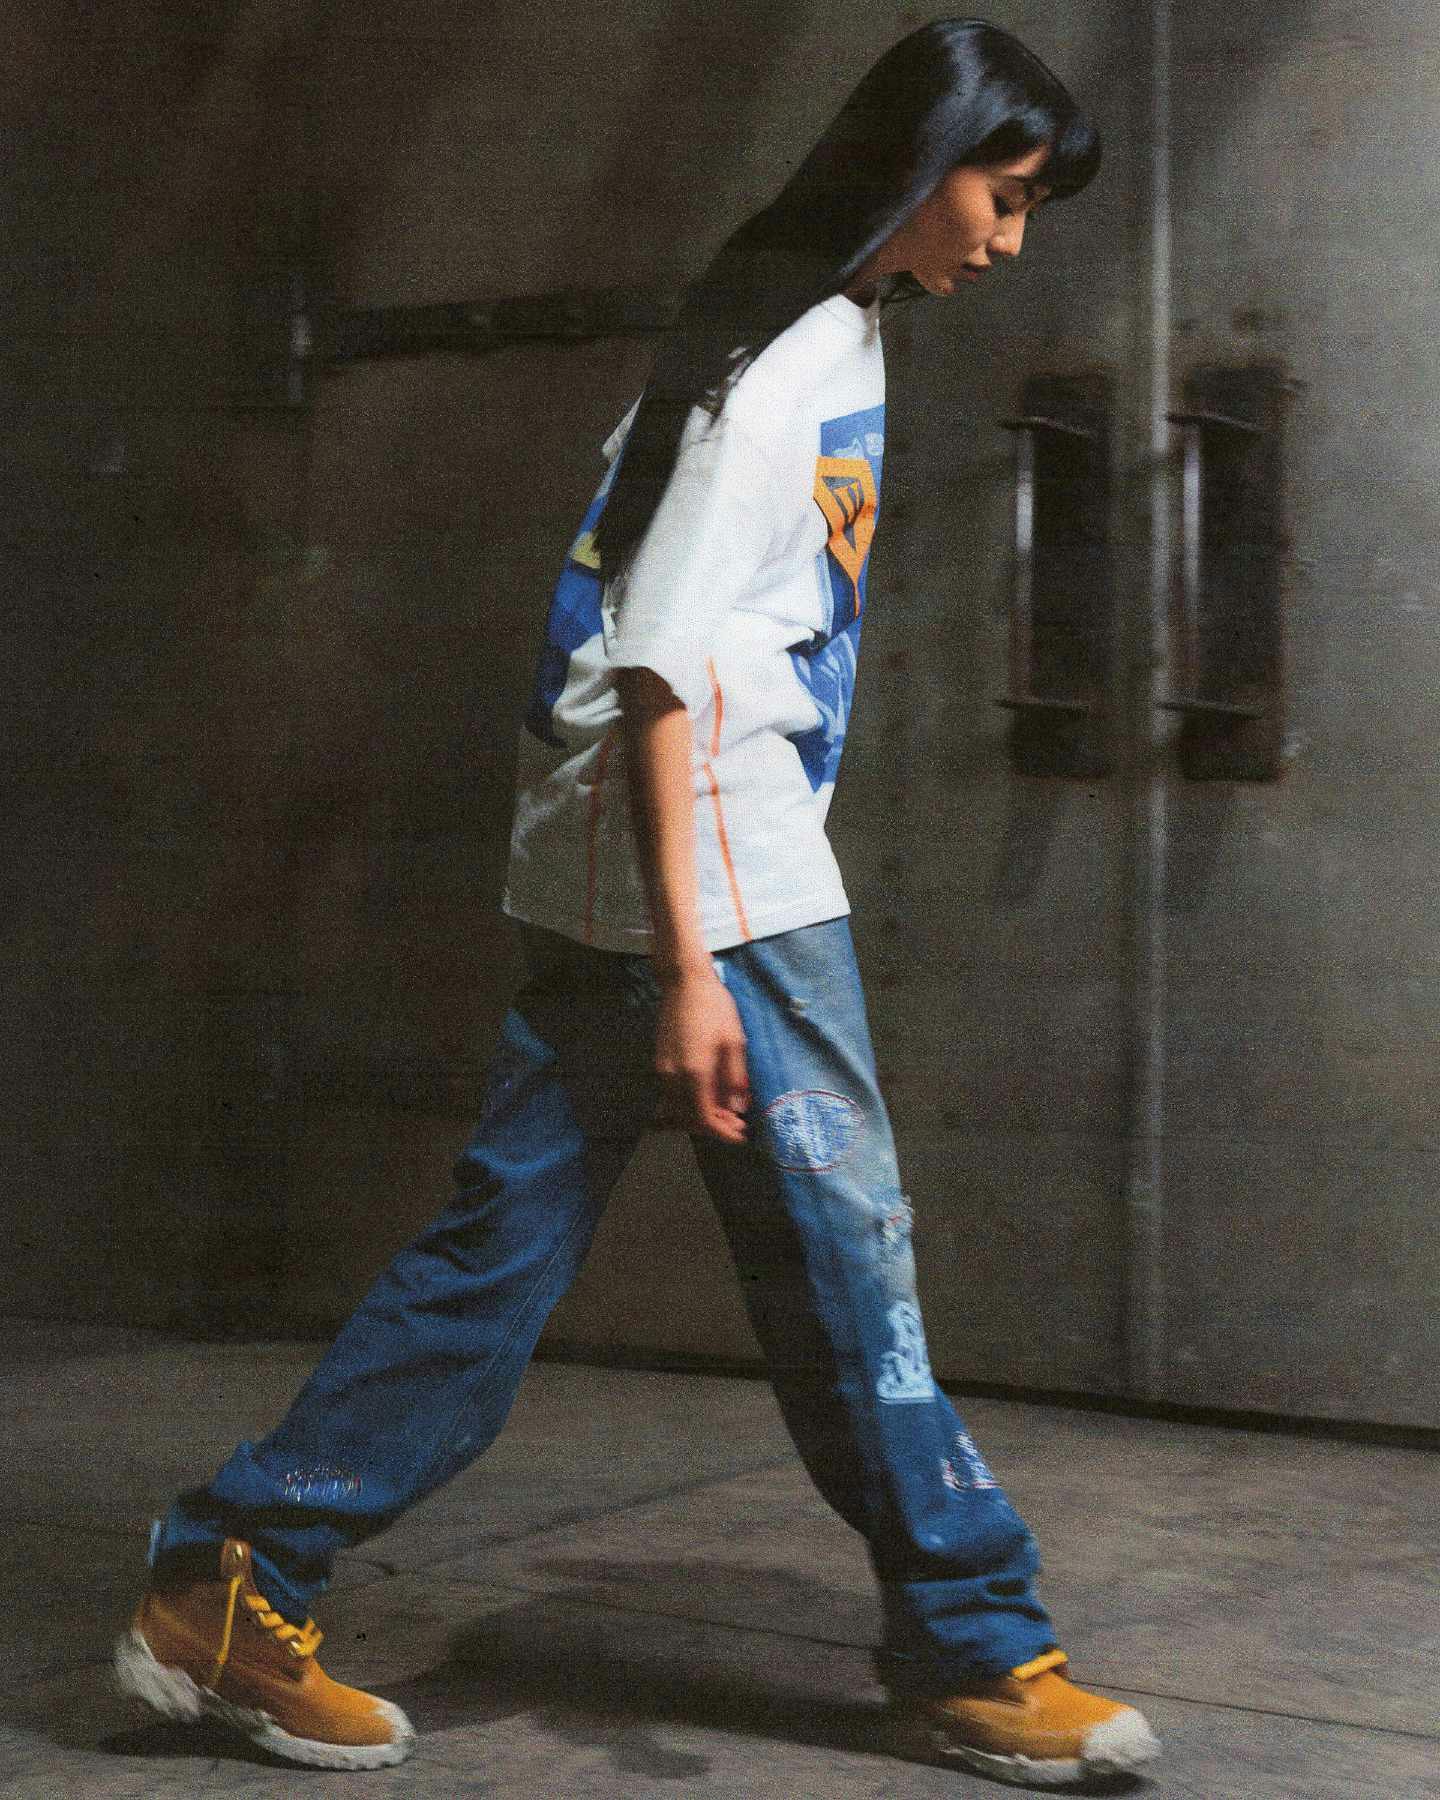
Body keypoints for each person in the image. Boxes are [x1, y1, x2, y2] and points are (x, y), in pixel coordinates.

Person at [115, 18, 1161, 1788]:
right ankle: (976, 1646)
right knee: (852, 1272)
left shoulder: (811, 317)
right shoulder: (782, 361)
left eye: (1030, 208)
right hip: (719, 887)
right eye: (1002, 192)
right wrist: (689, 965)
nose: (1008, 237)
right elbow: (661, 666)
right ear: (919, 161)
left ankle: (227, 1578)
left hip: (648, 867)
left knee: (504, 1259)